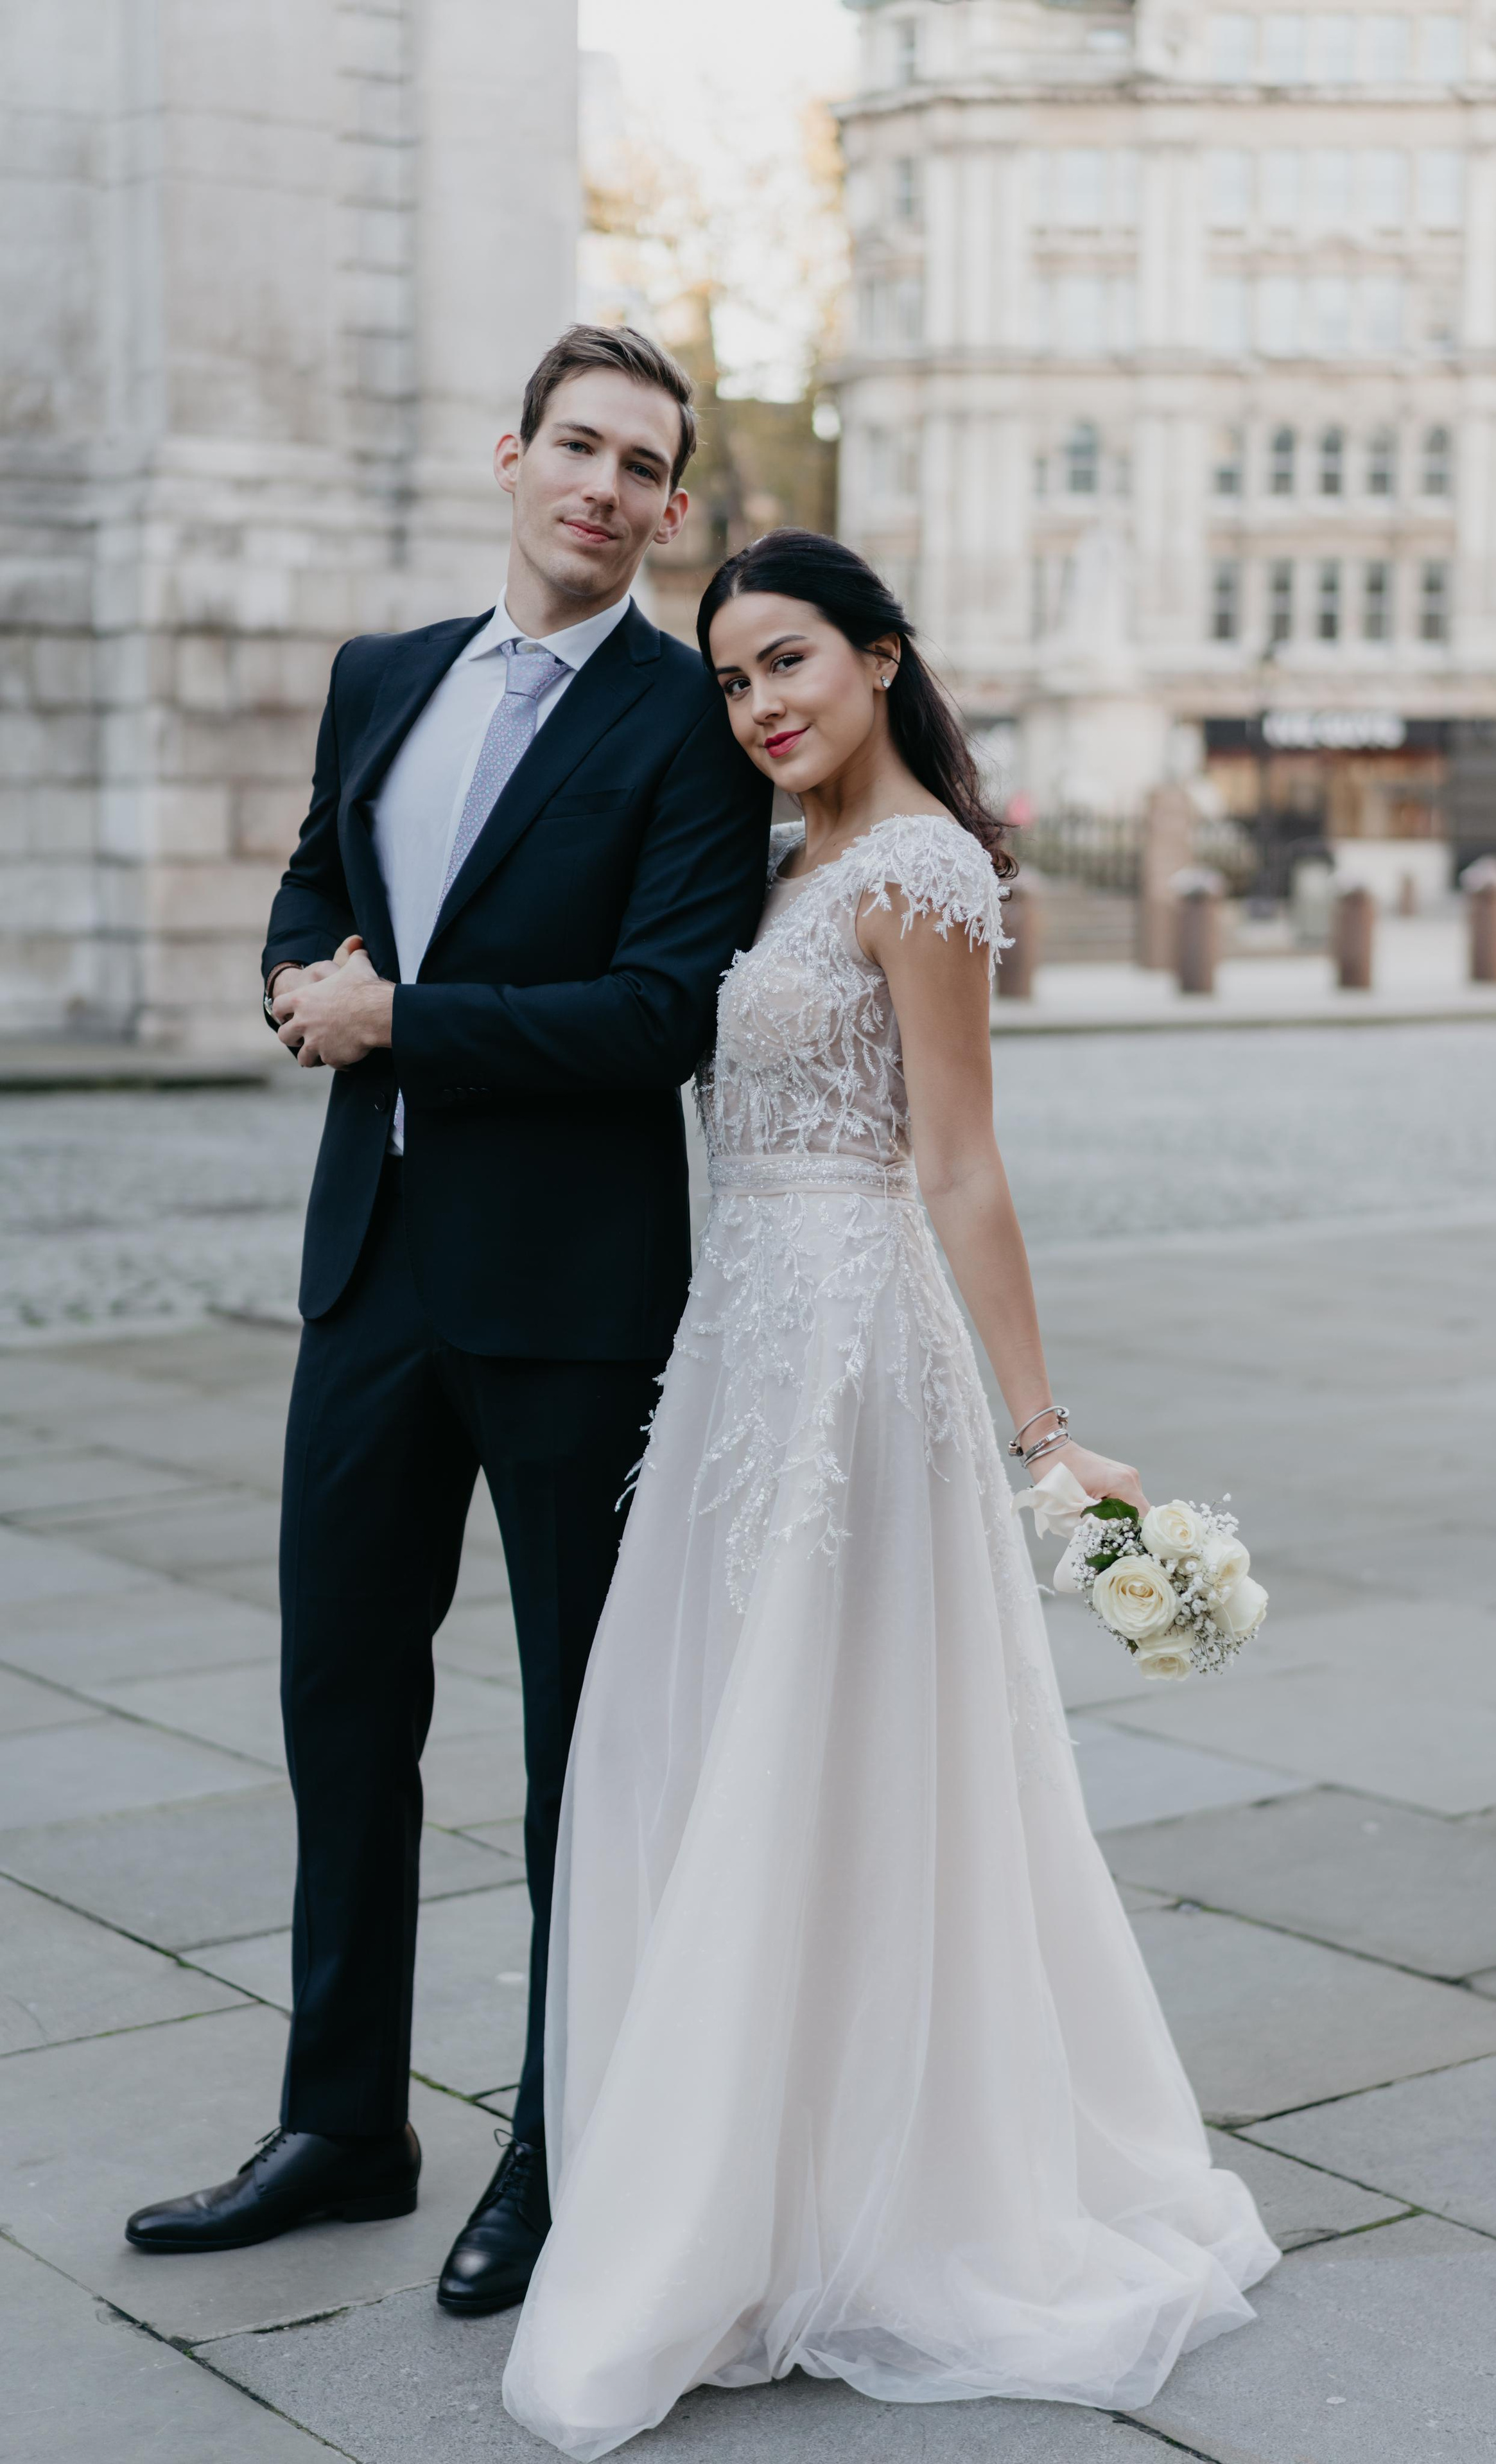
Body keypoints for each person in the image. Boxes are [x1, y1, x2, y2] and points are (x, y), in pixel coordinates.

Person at [501, 532, 1279, 2458]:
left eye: (790, 664)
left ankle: (841, 2196)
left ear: (879, 656)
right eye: (734, 681)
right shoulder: (794, 866)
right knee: (722, 1747)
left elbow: (960, 1169)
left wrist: (1045, 1433)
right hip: (742, 1346)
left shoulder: (922, 869)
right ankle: (750, 2168)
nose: (762, 705)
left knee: (808, 1750)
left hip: (852, 1353)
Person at [122, 327, 772, 2316]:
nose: (599, 483)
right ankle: (343, 2123)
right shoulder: (381, 679)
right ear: (510, 457)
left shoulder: (686, 726)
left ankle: (560, 2151)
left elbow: (659, 1015)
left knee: (582, 1738)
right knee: (342, 1705)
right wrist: (297, 982)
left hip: (577, 1301)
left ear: (673, 510)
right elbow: (312, 898)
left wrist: (398, 1017)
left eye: (640, 464)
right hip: (370, 1272)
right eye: (572, 443)